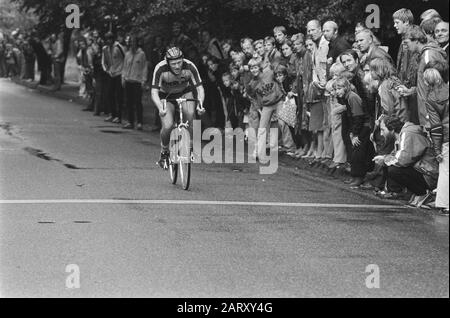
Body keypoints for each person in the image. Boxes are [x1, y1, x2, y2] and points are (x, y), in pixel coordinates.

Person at [151, 47, 205, 168]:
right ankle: (164, 151)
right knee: (168, 125)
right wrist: (160, 107)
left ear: (183, 60)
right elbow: (154, 92)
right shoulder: (160, 68)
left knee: (190, 115)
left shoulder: (190, 66)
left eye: (179, 62)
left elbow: (199, 88)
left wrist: (200, 104)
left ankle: (190, 148)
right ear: (167, 62)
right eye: (173, 63)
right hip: (166, 96)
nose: (177, 66)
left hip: (184, 92)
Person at [373, 116, 439, 208]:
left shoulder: (408, 133)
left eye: (383, 130)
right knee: (393, 168)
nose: (381, 133)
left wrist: (384, 160)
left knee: (394, 170)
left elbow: (403, 159)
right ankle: (419, 193)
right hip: (423, 169)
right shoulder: (403, 134)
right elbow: (399, 155)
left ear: (391, 129)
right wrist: (384, 157)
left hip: (429, 174)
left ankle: (423, 193)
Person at [397, 25, 447, 128]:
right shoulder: (424, 55)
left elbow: (437, 88)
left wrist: (432, 117)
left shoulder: (429, 55)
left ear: (416, 40)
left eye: (407, 43)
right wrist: (411, 91)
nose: (405, 47)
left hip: (432, 117)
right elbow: (426, 85)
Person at [335, 77, 374, 187]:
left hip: (364, 126)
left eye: (339, 88)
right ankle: (354, 175)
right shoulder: (346, 98)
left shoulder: (352, 97)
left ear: (346, 88)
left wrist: (355, 134)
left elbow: (359, 117)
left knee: (359, 152)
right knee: (354, 151)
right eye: (336, 89)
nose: (337, 91)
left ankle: (359, 177)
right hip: (358, 126)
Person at [246, 57, 285, 161]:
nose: (254, 70)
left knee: (283, 122)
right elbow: (252, 98)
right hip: (266, 106)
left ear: (259, 67)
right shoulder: (251, 84)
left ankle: (289, 146)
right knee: (262, 128)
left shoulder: (268, 73)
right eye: (251, 68)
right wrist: (258, 108)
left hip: (278, 101)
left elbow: (278, 66)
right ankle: (258, 152)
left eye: (255, 67)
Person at [423, 67, 449, 213]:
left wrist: (437, 149)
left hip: (447, 136)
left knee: (446, 170)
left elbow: (436, 126)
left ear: (427, 82)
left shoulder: (431, 99)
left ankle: (445, 203)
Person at [393, 8, 420, 125]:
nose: (394, 25)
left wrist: (408, 87)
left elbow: (413, 67)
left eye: (397, 22)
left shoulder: (413, 39)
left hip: (413, 93)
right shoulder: (403, 40)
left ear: (406, 22)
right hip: (406, 90)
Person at [121, 35, 148, 130]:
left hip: (137, 81)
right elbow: (124, 67)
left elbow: (144, 67)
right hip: (128, 80)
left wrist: (144, 80)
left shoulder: (141, 54)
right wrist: (123, 78)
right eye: (131, 42)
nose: (132, 44)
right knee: (129, 102)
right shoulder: (127, 54)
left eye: (134, 42)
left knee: (138, 102)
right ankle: (130, 121)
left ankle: (140, 122)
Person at [102, 32, 125, 124]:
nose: (108, 41)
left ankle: (119, 116)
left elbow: (125, 58)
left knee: (118, 95)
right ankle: (112, 114)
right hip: (111, 73)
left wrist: (124, 72)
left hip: (119, 73)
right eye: (107, 39)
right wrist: (107, 70)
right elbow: (104, 61)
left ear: (113, 39)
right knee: (110, 94)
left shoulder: (118, 47)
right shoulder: (105, 49)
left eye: (110, 39)